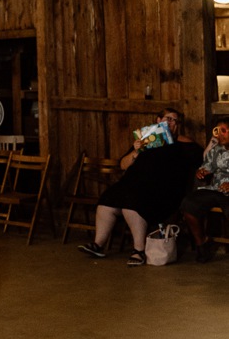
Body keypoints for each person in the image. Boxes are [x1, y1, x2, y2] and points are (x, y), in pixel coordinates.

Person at [79, 108, 202, 266]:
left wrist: (184, 141)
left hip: (162, 191)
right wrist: (136, 151)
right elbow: (123, 165)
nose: (171, 123)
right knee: (106, 201)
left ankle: (139, 251)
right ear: (158, 120)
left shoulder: (183, 143)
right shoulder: (146, 140)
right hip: (133, 185)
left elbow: (201, 158)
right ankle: (98, 245)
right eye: (168, 119)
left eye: (175, 121)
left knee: (131, 203)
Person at [181, 116, 229, 262]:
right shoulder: (216, 150)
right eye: (217, 131)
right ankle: (202, 243)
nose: (219, 134)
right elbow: (207, 166)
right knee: (188, 205)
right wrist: (202, 171)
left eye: (224, 131)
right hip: (215, 188)